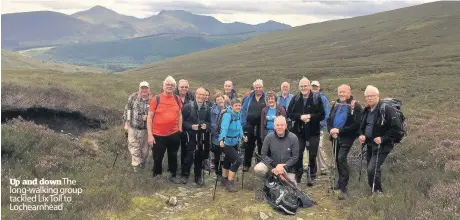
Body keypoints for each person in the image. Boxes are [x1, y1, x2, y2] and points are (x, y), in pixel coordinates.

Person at [359, 85, 401, 195]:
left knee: (372, 169)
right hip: (369, 144)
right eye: (367, 96)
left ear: (378, 96)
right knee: (371, 168)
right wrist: (362, 134)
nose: (369, 98)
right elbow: (362, 126)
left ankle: (378, 192)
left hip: (383, 145)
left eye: (371, 96)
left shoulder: (386, 109)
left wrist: (383, 138)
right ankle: (374, 191)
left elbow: (397, 129)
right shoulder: (367, 110)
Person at [287, 77, 325, 185]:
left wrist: (310, 117)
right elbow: (289, 114)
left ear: (309, 86)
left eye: (305, 86)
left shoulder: (316, 99)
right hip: (298, 132)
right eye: (301, 86)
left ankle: (311, 175)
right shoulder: (295, 99)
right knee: (298, 153)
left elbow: (322, 115)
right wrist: (300, 117)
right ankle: (298, 175)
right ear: (299, 87)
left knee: (312, 154)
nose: (304, 88)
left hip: (313, 132)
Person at [328, 84, 363, 200]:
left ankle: (344, 187)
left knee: (341, 158)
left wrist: (340, 130)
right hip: (334, 136)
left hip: (347, 137)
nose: (341, 94)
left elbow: (357, 124)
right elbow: (329, 119)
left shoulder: (356, 106)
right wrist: (331, 130)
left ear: (349, 92)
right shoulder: (336, 103)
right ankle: (340, 181)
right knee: (337, 158)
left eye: (344, 92)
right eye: (340, 92)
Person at [254, 116, 299, 199]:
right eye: (277, 125)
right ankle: (267, 183)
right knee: (258, 168)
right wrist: (274, 166)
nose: (280, 127)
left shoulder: (293, 138)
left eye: (282, 125)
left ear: (286, 126)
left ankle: (279, 182)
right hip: (272, 166)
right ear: (274, 127)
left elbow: (295, 157)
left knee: (292, 190)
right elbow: (263, 154)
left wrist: (284, 166)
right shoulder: (269, 137)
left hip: (287, 168)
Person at [147, 76, 183, 182]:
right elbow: (149, 117)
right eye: (167, 84)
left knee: (173, 155)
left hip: (174, 134)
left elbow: (180, 115)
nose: (169, 86)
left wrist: (179, 129)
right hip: (158, 135)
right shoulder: (156, 99)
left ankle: (172, 175)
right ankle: (157, 177)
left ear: (174, 87)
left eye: (172, 85)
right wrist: (150, 135)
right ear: (163, 86)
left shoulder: (177, 98)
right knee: (157, 158)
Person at [179, 88, 211, 186]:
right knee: (188, 156)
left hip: (202, 136)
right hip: (190, 136)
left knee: (199, 156)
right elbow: (182, 121)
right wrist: (191, 126)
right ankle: (185, 174)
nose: (201, 96)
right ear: (195, 94)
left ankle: (198, 176)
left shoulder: (207, 108)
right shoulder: (188, 106)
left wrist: (206, 125)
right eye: (199, 94)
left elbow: (209, 121)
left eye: (203, 94)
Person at [123, 81, 153, 172]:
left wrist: (148, 117)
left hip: (146, 130)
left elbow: (155, 114)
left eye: (146, 88)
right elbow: (127, 110)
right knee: (134, 148)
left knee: (145, 151)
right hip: (133, 128)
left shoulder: (153, 99)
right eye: (142, 88)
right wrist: (126, 124)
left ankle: (142, 164)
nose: (144, 90)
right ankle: (136, 169)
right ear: (139, 88)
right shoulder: (133, 97)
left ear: (148, 89)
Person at [218, 99, 246, 192]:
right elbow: (224, 128)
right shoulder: (227, 115)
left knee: (227, 160)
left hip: (234, 142)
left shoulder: (238, 114)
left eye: (239, 105)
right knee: (237, 161)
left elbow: (240, 127)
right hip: (226, 143)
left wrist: (242, 136)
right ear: (232, 106)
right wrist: (222, 139)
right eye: (236, 105)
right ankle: (229, 183)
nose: (238, 107)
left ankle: (224, 178)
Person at [241, 79, 267, 171]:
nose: (258, 89)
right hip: (249, 125)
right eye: (257, 87)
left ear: (262, 88)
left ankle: (260, 163)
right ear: (254, 88)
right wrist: (244, 123)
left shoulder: (266, 98)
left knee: (261, 144)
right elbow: (243, 111)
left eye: (260, 87)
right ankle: (246, 164)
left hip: (261, 126)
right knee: (248, 144)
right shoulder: (249, 98)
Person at [311, 80, 330, 175]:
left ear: (319, 88)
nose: (314, 88)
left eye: (316, 87)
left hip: (319, 128)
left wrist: (320, 124)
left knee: (319, 146)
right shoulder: (307, 98)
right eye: (313, 87)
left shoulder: (323, 99)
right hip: (308, 128)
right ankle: (309, 167)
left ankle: (322, 167)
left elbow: (327, 114)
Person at [210, 92, 227, 180]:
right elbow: (213, 125)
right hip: (216, 137)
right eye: (218, 100)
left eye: (221, 99)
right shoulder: (213, 111)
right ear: (215, 102)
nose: (220, 101)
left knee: (225, 155)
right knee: (217, 156)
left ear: (224, 100)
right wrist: (219, 135)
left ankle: (224, 173)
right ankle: (218, 173)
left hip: (227, 138)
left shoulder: (228, 109)